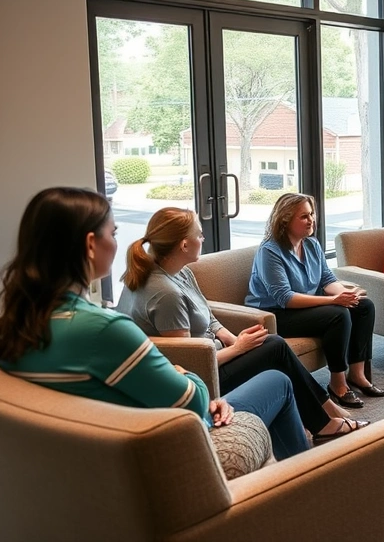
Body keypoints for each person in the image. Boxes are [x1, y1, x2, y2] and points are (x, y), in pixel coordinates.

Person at [0, 187, 310, 462]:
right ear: (91, 244)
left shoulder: (16, 323)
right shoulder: (103, 330)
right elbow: (193, 401)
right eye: (113, 233)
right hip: (161, 453)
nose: (117, 242)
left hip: (79, 463)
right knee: (277, 383)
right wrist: (182, 371)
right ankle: (309, 482)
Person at [117, 207, 368, 441]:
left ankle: (324, 412)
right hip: (202, 377)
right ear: (184, 244)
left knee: (270, 345)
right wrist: (239, 349)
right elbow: (189, 364)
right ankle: (324, 420)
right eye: (199, 235)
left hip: (216, 353)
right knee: (275, 347)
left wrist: (233, 338)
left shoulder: (179, 271)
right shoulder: (165, 294)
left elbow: (208, 315)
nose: (203, 239)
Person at [246, 193, 381, 410]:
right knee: (337, 314)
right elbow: (285, 298)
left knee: (363, 306)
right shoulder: (269, 251)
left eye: (311, 214)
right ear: (285, 220)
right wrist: (335, 301)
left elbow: (327, 279)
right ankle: (338, 384)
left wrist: (347, 296)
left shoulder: (311, 244)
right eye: (303, 217)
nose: (311, 220)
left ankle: (357, 374)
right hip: (275, 314)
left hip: (303, 308)